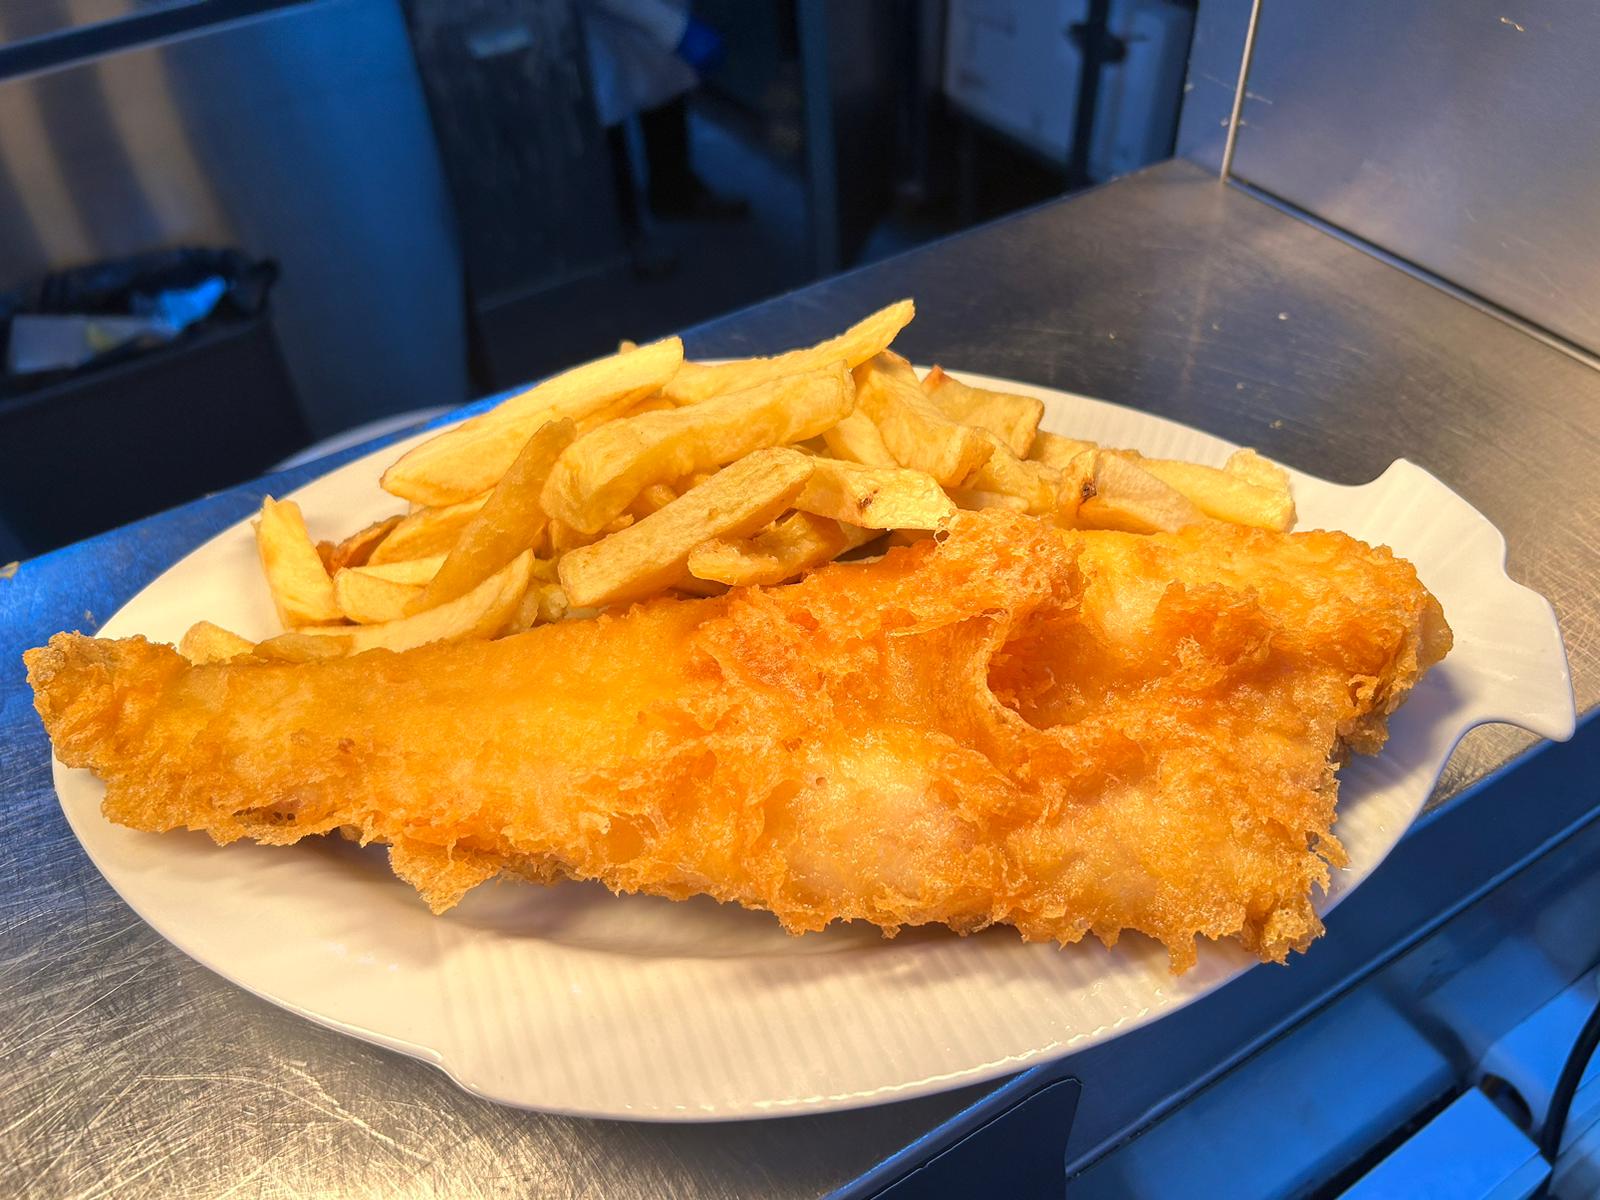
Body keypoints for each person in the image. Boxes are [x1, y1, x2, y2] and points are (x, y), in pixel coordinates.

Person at [581, 0, 748, 271]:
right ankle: (624, 233)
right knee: (607, 111)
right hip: (600, 19)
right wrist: (675, 29)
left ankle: (674, 193)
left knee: (665, 84)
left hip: (659, 14)